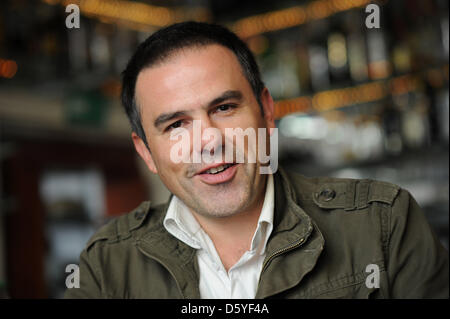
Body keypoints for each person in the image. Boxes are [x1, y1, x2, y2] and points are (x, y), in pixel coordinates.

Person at [65, 21, 448, 299]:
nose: (209, 141)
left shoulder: (384, 223)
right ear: (146, 151)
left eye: (225, 107)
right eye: (177, 124)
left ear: (266, 111)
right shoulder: (107, 266)